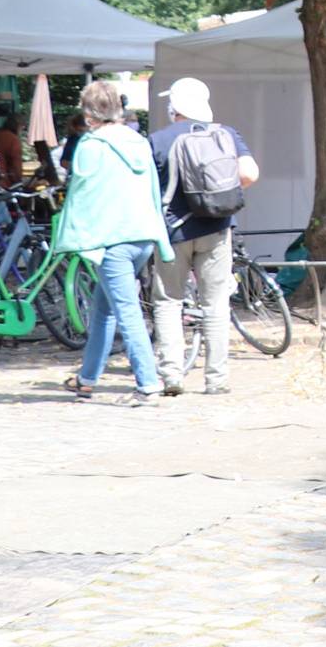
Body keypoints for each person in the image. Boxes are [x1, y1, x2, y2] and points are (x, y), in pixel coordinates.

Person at [55, 80, 173, 404]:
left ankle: (148, 385)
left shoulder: (90, 145)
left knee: (126, 311)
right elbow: (152, 187)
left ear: (89, 113)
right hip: (143, 236)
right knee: (103, 309)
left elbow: (79, 195)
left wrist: (68, 236)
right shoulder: (137, 140)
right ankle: (86, 379)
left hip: (112, 241)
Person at [148, 76, 260, 396]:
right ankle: (217, 379)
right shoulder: (225, 134)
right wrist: (218, 195)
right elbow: (250, 173)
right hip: (217, 227)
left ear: (175, 108)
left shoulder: (157, 140)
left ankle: (171, 374)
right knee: (216, 304)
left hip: (173, 232)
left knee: (168, 301)